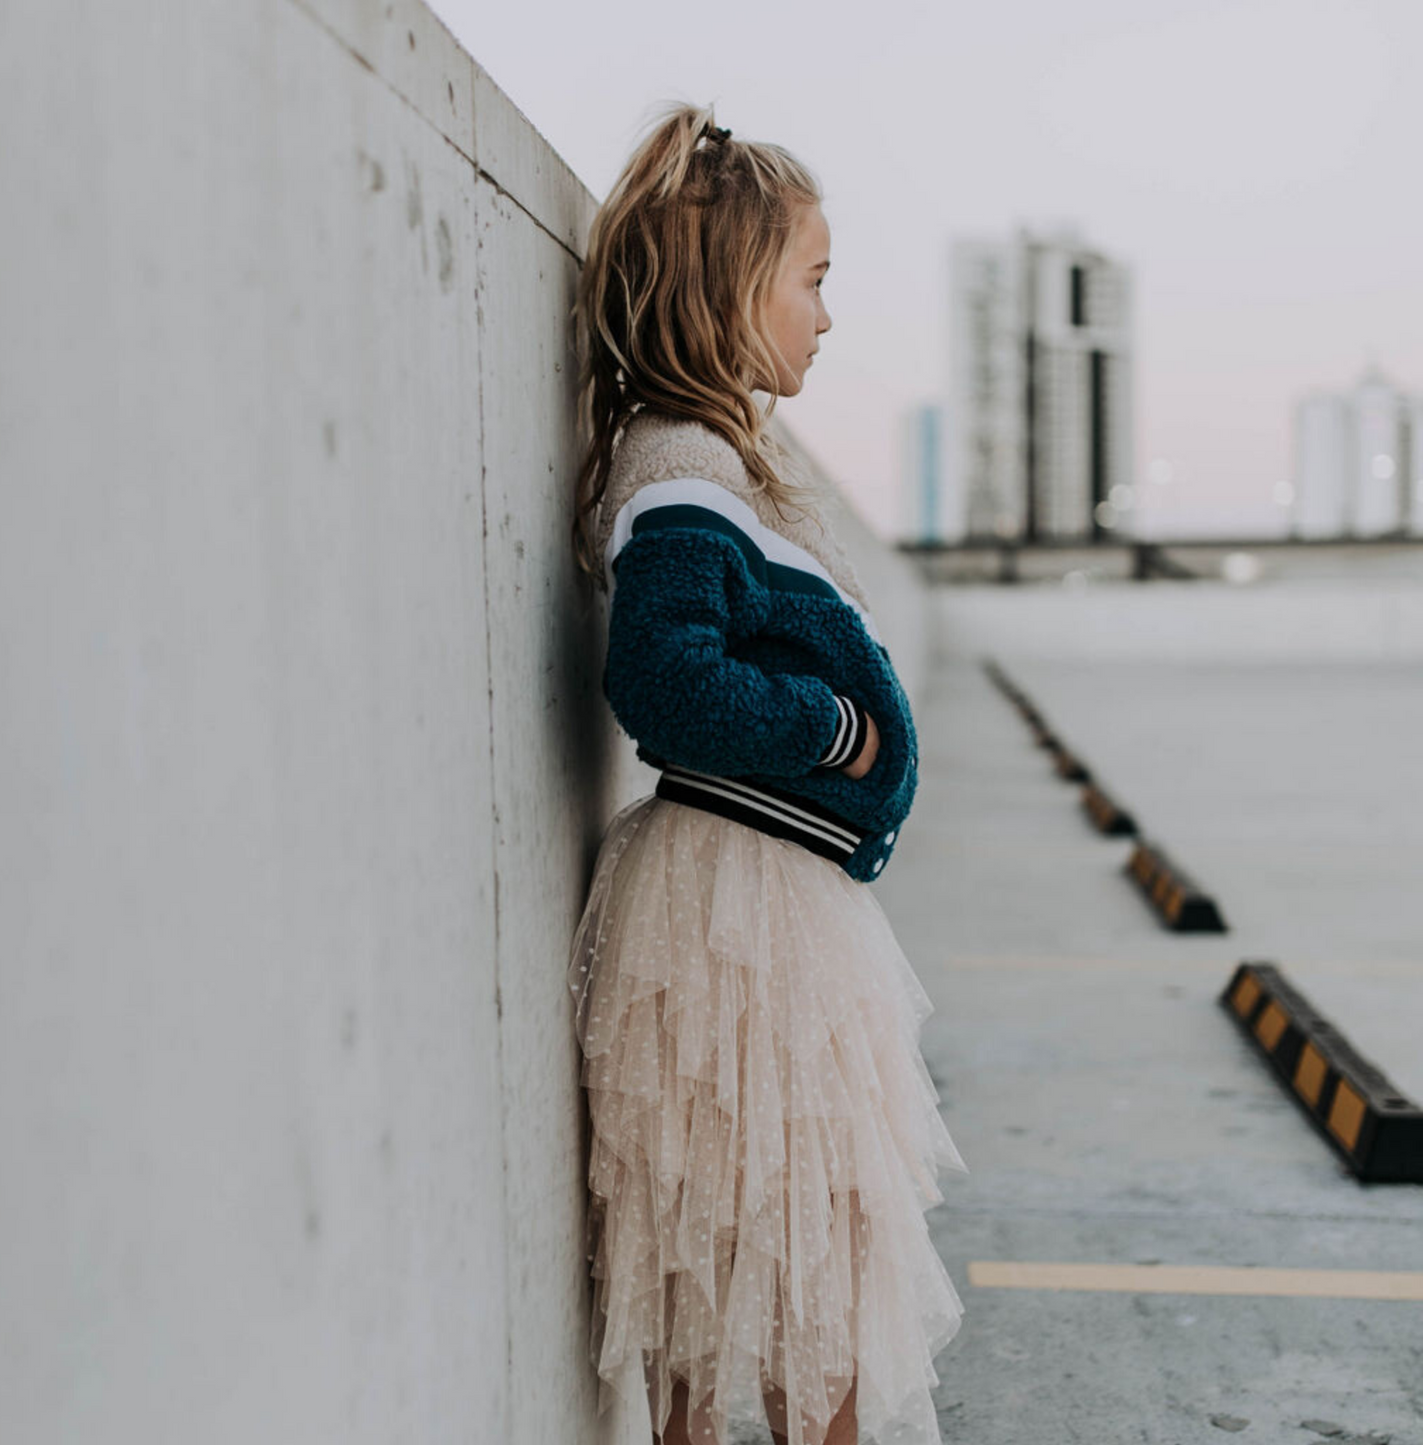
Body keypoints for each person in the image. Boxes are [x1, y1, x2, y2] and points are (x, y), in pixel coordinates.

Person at [565, 101, 969, 1445]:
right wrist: (829, 732)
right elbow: (665, 681)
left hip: (769, 913)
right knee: (794, 1290)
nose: (827, 314)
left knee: (788, 1288)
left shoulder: (721, 465)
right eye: (813, 278)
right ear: (731, 287)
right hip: (742, 923)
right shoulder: (683, 471)